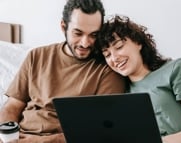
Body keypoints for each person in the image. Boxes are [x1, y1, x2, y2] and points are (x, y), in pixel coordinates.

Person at [0, 1, 126, 142]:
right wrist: (8, 136)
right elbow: (12, 106)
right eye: (78, 33)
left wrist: (36, 141)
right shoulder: (36, 55)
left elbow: (100, 130)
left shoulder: (107, 69)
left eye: (93, 35)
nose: (85, 43)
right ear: (63, 27)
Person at [96, 15, 181, 143]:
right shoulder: (123, 95)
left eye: (118, 46)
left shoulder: (175, 69)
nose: (114, 58)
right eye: (107, 55)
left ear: (138, 42)